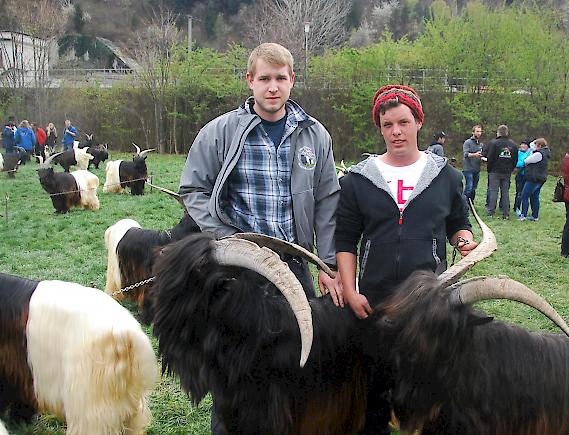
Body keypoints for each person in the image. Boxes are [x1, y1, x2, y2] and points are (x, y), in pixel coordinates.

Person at [179, 42, 342, 435]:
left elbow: (327, 200)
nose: (273, 87)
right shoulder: (219, 132)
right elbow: (193, 190)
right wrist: (225, 237)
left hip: (294, 267)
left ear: (292, 81)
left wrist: (330, 263)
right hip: (239, 271)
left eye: (280, 78)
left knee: (297, 363)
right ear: (250, 81)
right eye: (264, 79)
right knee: (235, 368)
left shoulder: (313, 135)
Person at [335, 84, 477, 435]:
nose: (396, 131)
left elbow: (457, 223)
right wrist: (351, 291)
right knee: (374, 389)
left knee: (431, 386)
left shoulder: (446, 176)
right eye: (387, 125)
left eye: (403, 122)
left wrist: (464, 240)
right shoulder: (357, 181)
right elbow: (346, 239)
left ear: (418, 122)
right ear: (380, 128)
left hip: (428, 302)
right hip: (375, 303)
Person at [483, 124, 518, 219]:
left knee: (493, 191)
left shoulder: (494, 143)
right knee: (505, 192)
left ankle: (491, 211)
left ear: (498, 132)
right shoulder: (513, 144)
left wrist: (490, 169)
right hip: (507, 171)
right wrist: (511, 168)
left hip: (495, 171)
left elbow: (490, 157)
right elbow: (515, 159)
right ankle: (506, 213)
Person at [518, 138, 550, 221]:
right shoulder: (545, 153)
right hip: (540, 178)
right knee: (535, 196)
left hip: (534, 178)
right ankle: (535, 216)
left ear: (539, 146)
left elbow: (526, 160)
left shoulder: (538, 154)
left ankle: (523, 215)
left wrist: (531, 151)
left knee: (524, 196)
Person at [462, 124, 484, 203]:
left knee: (474, 188)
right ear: (473, 132)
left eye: (480, 131)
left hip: (476, 169)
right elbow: (466, 154)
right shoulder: (467, 142)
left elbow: (481, 155)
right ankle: (463, 202)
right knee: (469, 187)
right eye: (477, 131)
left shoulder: (481, 144)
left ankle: (471, 203)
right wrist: (475, 154)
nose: (479, 133)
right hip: (468, 168)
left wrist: (482, 158)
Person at [513, 138, 532, 216]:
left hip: (528, 175)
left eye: (525, 144)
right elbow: (517, 163)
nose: (523, 146)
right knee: (519, 192)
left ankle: (523, 208)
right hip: (520, 175)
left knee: (526, 193)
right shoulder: (518, 153)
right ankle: (516, 207)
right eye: (522, 144)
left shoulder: (530, 153)